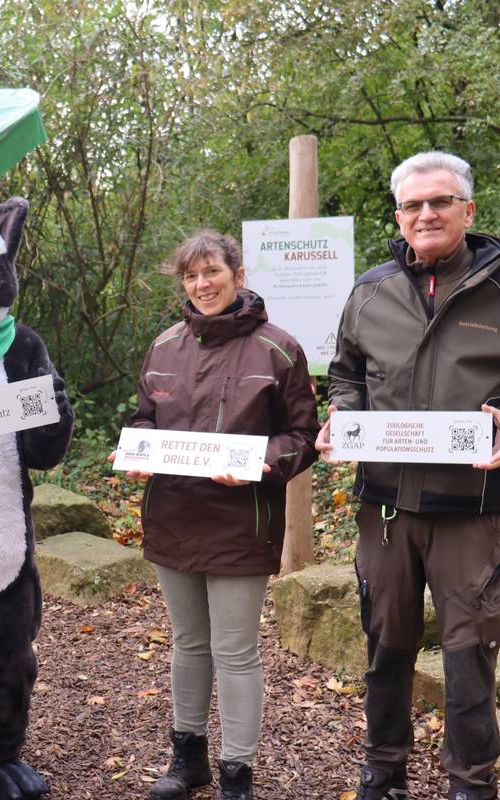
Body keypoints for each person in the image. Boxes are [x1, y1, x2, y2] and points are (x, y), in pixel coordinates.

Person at [317, 152, 500, 800]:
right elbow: (346, 374)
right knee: (385, 645)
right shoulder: (371, 291)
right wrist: (343, 417)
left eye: (440, 201)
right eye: (413, 205)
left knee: (470, 653)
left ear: (468, 210)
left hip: (471, 507)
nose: (426, 214)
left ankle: (471, 782)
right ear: (398, 216)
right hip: (385, 508)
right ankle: (383, 771)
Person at [121, 230, 319, 800]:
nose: (202, 285)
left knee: (234, 651)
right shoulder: (164, 347)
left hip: (240, 522)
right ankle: (188, 761)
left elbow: (302, 436)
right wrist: (138, 451)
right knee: (188, 642)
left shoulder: (278, 349)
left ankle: (237, 774)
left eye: (212, 272)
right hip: (172, 516)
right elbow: (144, 419)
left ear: (238, 275)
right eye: (191, 276)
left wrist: (259, 464)